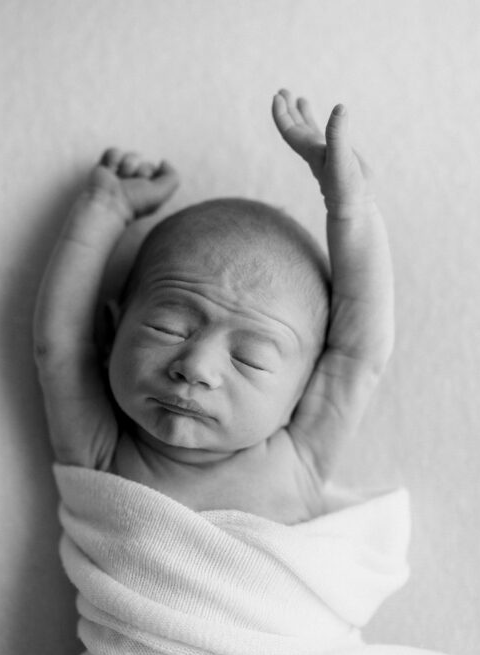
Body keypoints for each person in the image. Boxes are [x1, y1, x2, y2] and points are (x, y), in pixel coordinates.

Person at [33, 89, 393, 525]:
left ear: (301, 391)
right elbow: (63, 346)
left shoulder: (298, 458)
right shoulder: (101, 449)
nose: (196, 367)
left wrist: (354, 208)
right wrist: (103, 209)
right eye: (168, 328)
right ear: (110, 336)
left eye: (250, 359)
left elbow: (359, 353)